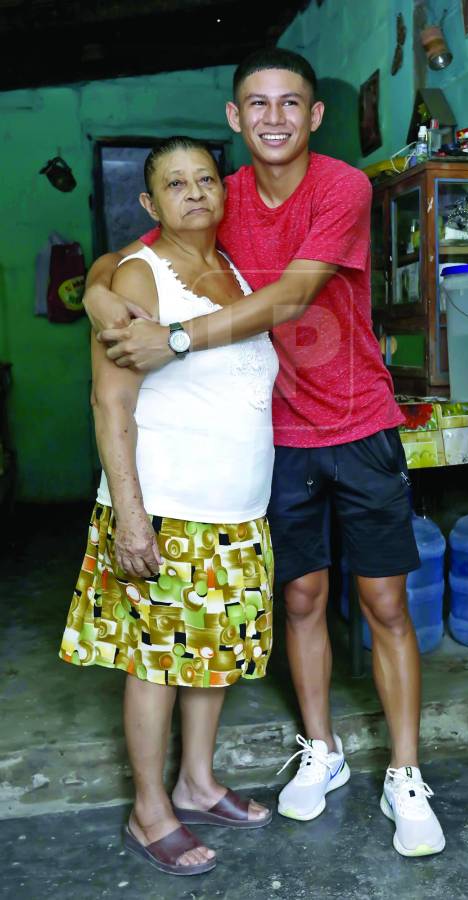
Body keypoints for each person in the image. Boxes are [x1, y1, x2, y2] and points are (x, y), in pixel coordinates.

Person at [83, 48, 446, 858]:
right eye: (257, 104)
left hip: (359, 424)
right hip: (278, 440)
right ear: (234, 119)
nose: (274, 118)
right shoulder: (219, 197)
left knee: (386, 605)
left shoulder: (341, 187)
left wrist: (171, 338)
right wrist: (102, 299)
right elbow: (127, 259)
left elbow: (290, 296)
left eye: (291, 103)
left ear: (314, 117)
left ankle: (406, 775)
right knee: (303, 602)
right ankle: (321, 751)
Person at [59, 136, 279, 876]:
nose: (195, 192)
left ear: (225, 191)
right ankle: (149, 809)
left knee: (209, 655)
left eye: (207, 179)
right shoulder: (137, 276)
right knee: (156, 661)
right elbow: (109, 398)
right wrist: (130, 513)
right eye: (175, 184)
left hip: (236, 510)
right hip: (168, 508)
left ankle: (197, 781)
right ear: (150, 205)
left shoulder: (235, 269)